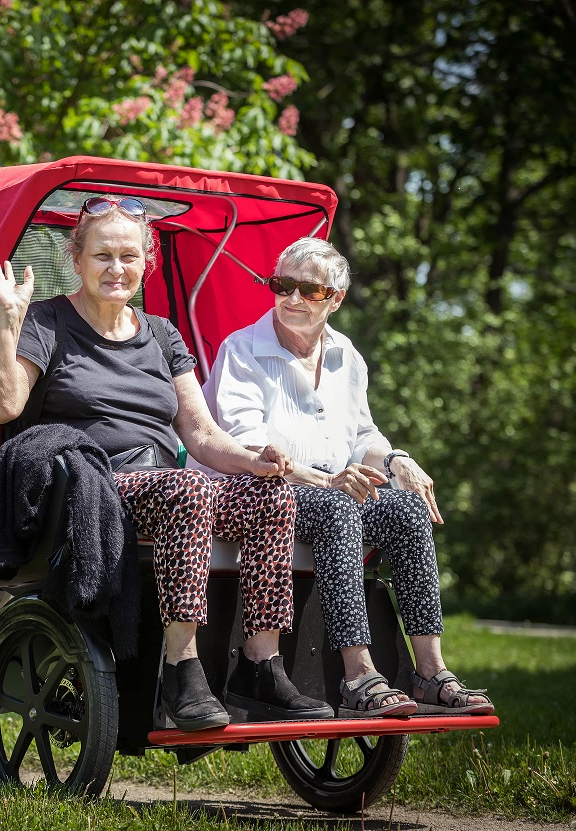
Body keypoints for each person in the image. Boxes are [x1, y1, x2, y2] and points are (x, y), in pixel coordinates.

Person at [0, 195, 334, 730]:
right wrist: (9, 318)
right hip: (88, 484)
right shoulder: (46, 320)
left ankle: (261, 664)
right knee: (187, 491)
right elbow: (1, 408)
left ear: (147, 262)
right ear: (77, 259)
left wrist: (253, 459)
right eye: (102, 256)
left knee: (270, 496)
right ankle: (181, 666)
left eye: (128, 257)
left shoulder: (162, 333)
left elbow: (202, 434)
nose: (116, 269)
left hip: (163, 483)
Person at [197, 236, 494, 717]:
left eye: (308, 290)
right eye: (282, 285)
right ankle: (358, 674)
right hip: (256, 495)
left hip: (327, 493)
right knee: (337, 508)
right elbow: (247, 443)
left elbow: (362, 434)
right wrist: (326, 481)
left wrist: (397, 459)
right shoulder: (243, 350)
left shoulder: (347, 356)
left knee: (406, 510)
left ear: (334, 299)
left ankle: (430, 671)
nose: (291, 298)